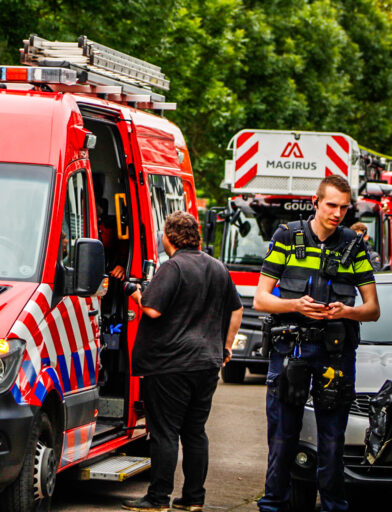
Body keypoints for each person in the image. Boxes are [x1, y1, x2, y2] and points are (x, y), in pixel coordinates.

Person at [254, 175, 380, 512]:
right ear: (315, 201)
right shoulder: (287, 236)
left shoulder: (354, 245)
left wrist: (348, 310)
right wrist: (294, 305)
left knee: (332, 443)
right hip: (290, 351)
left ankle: (333, 507)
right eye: (331, 205)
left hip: (335, 354)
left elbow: (373, 310)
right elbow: (261, 300)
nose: (337, 213)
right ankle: (273, 506)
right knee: (281, 439)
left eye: (343, 207)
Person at [122, 211, 244, 512]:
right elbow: (237, 310)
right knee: (195, 432)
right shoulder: (218, 268)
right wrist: (225, 348)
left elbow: (152, 310)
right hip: (206, 363)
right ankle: (193, 499)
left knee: (164, 432)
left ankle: (157, 498)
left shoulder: (172, 267)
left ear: (169, 237)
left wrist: (136, 293)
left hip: (170, 364)